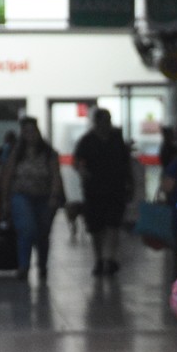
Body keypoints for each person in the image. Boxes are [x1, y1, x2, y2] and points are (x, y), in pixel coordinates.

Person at [0, 116, 64, 282]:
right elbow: (7, 176)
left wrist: (55, 195)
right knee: (27, 229)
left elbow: (55, 175)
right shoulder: (16, 153)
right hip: (21, 195)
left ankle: (42, 265)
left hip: (44, 197)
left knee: (43, 233)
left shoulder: (48, 153)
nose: (30, 134)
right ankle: (23, 265)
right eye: (26, 131)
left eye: (33, 131)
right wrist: (4, 199)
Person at [73, 108, 136, 276]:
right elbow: (77, 161)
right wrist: (83, 172)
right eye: (103, 120)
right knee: (97, 227)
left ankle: (110, 259)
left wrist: (130, 182)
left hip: (115, 187)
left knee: (113, 224)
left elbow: (125, 162)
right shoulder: (87, 141)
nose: (106, 124)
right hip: (95, 189)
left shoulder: (116, 138)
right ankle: (99, 258)